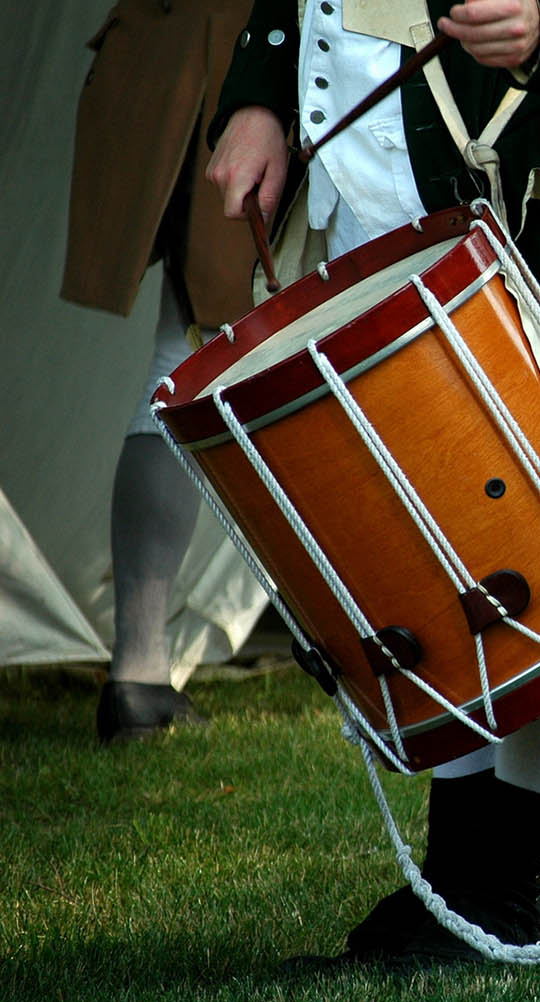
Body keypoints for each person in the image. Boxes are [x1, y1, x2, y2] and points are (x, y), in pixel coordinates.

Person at [205, 0, 540, 965]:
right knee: (438, 535)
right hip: (369, 192)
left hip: (529, 190)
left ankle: (502, 889)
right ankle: (459, 881)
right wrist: (263, 95)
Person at [61, 0, 259, 745]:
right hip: (238, 69)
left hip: (176, 56)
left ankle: (139, 675)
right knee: (194, 351)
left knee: (185, 352)